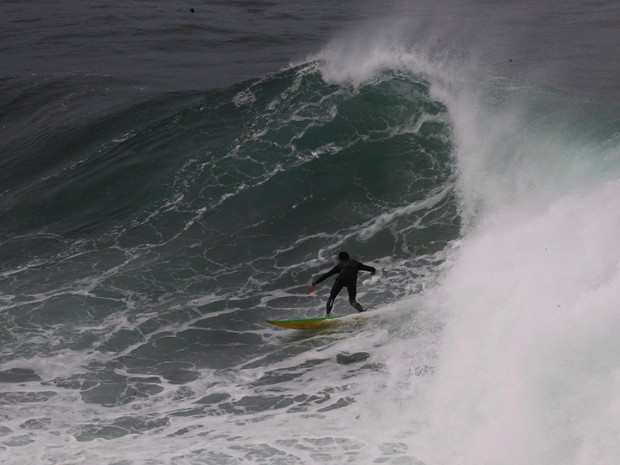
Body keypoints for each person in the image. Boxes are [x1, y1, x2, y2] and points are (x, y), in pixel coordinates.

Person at [306, 251, 376, 317]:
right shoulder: (356, 263)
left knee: (332, 298)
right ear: (348, 257)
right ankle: (362, 312)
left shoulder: (340, 265)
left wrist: (314, 284)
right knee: (352, 301)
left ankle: (327, 315)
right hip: (351, 281)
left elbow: (327, 274)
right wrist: (373, 272)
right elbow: (371, 268)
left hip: (341, 280)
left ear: (340, 259)